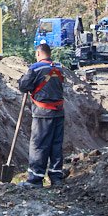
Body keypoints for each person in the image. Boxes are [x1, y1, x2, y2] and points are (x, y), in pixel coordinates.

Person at [17, 43, 66, 188]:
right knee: (56, 145)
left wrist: (22, 80)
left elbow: (24, 86)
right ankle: (56, 178)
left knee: (39, 145)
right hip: (59, 112)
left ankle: (35, 179)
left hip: (43, 114)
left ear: (38, 53)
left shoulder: (35, 68)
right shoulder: (59, 68)